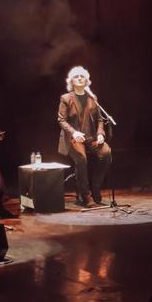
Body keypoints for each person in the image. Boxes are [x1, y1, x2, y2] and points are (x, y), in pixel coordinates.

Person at [57, 66, 112, 207]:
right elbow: (61, 120)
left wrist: (100, 134)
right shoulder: (66, 98)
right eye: (76, 77)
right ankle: (86, 196)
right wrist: (74, 132)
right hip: (73, 138)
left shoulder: (92, 98)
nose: (80, 78)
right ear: (72, 82)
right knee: (81, 159)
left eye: (82, 76)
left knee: (106, 153)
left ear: (86, 80)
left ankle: (95, 186)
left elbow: (100, 119)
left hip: (91, 137)